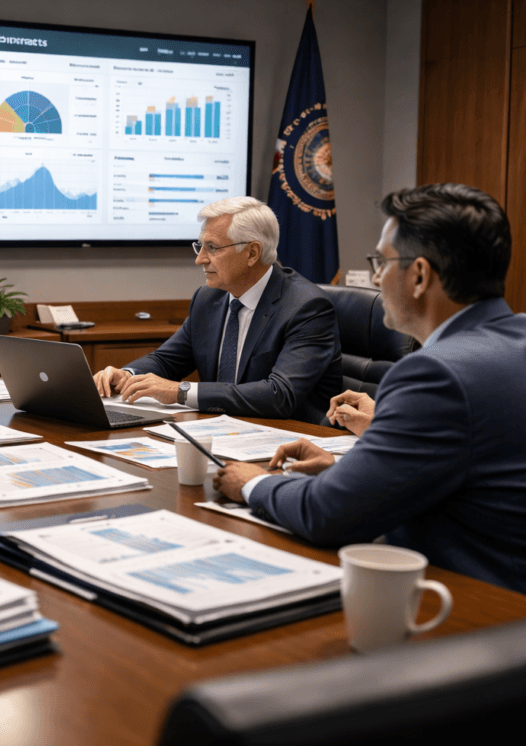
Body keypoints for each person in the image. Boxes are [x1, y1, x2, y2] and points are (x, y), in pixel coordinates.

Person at [213, 183, 526, 593]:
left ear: (419, 276)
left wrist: (253, 482)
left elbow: (327, 515)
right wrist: (350, 470)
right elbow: (473, 475)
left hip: (470, 611)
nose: (376, 276)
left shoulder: (435, 374)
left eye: (382, 261)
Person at [93, 197, 342, 424]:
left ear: (252, 253)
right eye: (200, 246)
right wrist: (127, 374)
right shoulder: (208, 298)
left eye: (212, 248)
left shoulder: (307, 308)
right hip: (222, 431)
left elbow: (280, 395)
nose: (199, 259)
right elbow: (167, 360)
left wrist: (180, 392)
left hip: (294, 442)